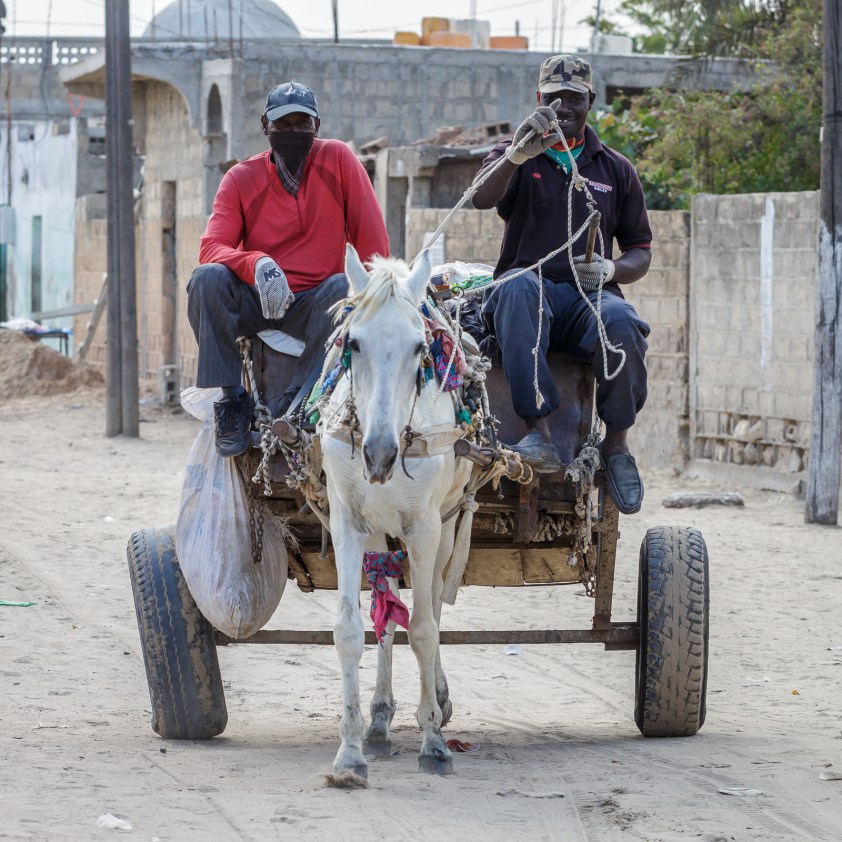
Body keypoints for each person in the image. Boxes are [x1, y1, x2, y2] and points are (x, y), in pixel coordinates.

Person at [472, 55, 651, 514]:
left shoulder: (615, 169)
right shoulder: (514, 153)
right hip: (529, 293)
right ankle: (539, 433)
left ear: (590, 101)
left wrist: (612, 271)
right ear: (539, 100)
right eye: (553, 98)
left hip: (588, 298)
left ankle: (616, 447)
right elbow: (480, 197)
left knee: (624, 324)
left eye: (574, 98)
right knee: (516, 288)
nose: (563, 107)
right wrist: (516, 155)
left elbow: (639, 251)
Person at [187, 81, 389, 457]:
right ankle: (232, 400)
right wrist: (256, 263)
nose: (293, 132)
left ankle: (300, 400)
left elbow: (373, 251)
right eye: (283, 124)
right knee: (206, 279)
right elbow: (210, 248)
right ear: (266, 126)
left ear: (317, 126)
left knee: (342, 287)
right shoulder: (240, 178)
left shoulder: (339, 160)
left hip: (316, 304)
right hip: (259, 301)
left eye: (302, 124)